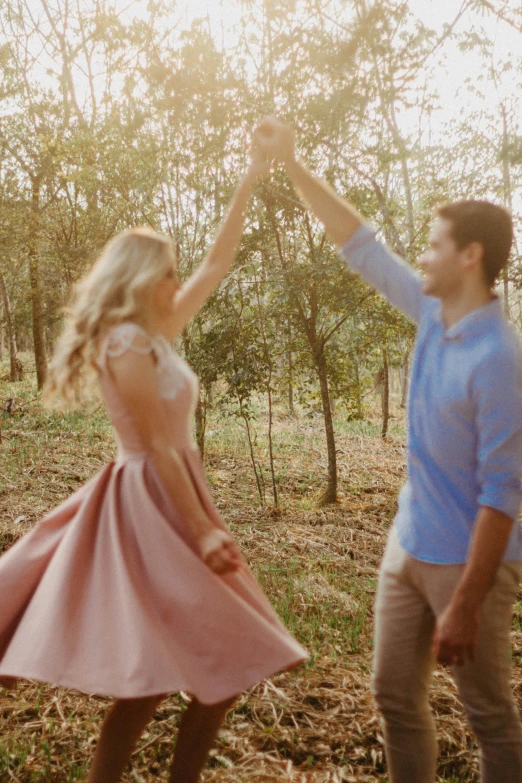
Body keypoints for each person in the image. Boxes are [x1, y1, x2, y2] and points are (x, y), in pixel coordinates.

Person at [0, 142, 307, 783]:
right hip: (149, 506)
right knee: (147, 684)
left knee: (217, 675)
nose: (176, 283)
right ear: (140, 278)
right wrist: (201, 529)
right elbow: (157, 443)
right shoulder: (127, 342)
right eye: (167, 273)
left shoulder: (157, 333)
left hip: (177, 494)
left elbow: (219, 262)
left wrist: (251, 174)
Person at [254, 118, 522, 783]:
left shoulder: (500, 360)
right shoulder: (435, 313)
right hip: (408, 545)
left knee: (487, 714)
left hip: (470, 566)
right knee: (395, 697)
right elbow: (360, 243)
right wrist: (291, 163)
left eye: (434, 246)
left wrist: (465, 600)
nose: (421, 257)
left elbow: (503, 492)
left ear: (469, 258)